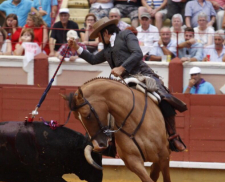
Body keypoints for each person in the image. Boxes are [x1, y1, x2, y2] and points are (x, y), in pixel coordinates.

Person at [68, 17, 186, 151]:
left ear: (106, 32)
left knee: (162, 98)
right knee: (109, 106)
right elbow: (93, 59)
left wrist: (122, 68)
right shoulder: (107, 49)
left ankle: (173, 137)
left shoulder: (126, 35)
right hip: (123, 82)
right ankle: (110, 142)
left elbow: (137, 53)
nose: (99, 40)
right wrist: (77, 48)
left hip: (142, 74)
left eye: (99, 36)